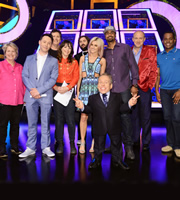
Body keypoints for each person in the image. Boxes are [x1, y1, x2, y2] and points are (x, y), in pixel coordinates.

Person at [74, 73, 139, 169]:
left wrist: (129, 103)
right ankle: (96, 160)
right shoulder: (93, 98)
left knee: (116, 145)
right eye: (100, 82)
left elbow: (121, 109)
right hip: (99, 126)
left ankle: (118, 160)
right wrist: (82, 106)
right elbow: (89, 110)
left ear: (111, 86)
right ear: (97, 85)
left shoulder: (117, 96)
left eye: (105, 82)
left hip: (114, 126)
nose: (102, 85)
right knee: (98, 146)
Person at [19, 34, 58, 158]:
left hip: (45, 95)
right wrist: (32, 90)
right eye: (44, 42)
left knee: (46, 122)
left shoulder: (53, 61)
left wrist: (38, 91)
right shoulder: (29, 58)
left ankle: (46, 147)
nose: (46, 44)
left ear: (51, 45)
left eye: (49, 43)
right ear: (39, 42)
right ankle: (30, 147)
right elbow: (24, 75)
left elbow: (53, 79)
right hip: (31, 95)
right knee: (31, 122)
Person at [103, 25, 139, 160]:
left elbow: (133, 66)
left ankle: (128, 147)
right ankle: (114, 146)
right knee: (111, 119)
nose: (109, 34)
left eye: (111, 32)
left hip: (124, 88)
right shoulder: (104, 51)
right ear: (105, 36)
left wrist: (134, 84)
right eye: (107, 33)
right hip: (109, 91)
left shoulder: (124, 48)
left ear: (115, 34)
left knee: (125, 118)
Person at [77, 37, 106, 154]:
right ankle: (83, 142)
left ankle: (94, 143)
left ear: (99, 47)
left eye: (95, 45)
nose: (92, 47)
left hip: (95, 91)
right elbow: (79, 77)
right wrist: (78, 92)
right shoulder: (83, 58)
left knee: (95, 119)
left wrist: (102, 94)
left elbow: (103, 79)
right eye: (91, 45)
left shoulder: (102, 60)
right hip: (84, 90)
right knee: (83, 117)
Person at [131, 31, 158, 150]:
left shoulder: (150, 50)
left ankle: (146, 141)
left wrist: (150, 86)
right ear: (132, 39)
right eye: (136, 38)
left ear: (144, 39)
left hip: (144, 88)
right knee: (134, 115)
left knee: (146, 116)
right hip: (131, 88)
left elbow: (154, 70)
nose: (138, 40)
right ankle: (135, 139)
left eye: (140, 38)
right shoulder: (128, 51)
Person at [155, 32, 180, 158]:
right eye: (166, 39)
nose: (168, 41)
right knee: (167, 117)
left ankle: (178, 146)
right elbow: (158, 75)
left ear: (174, 40)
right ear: (163, 41)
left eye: (170, 39)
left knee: (176, 118)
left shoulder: (179, 53)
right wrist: (157, 91)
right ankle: (170, 144)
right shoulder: (159, 56)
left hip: (177, 90)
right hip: (164, 91)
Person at [53, 40, 79, 155]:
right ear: (61, 48)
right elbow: (50, 76)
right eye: (65, 47)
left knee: (70, 119)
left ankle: (72, 143)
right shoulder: (55, 61)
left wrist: (68, 88)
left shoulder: (74, 62)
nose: (67, 49)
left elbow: (76, 77)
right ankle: (60, 143)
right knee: (58, 119)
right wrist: (55, 87)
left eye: (69, 47)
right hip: (57, 90)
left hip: (69, 90)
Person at [0, 42, 25, 157]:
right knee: (3, 125)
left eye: (13, 51)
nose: (10, 53)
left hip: (18, 100)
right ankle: (1, 148)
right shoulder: (0, 66)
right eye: (8, 51)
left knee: (15, 125)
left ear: (16, 53)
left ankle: (14, 146)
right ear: (5, 53)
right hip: (4, 100)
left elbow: (24, 83)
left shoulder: (20, 67)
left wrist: (24, 97)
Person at [74, 36, 90, 145]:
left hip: (93, 87)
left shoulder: (97, 55)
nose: (82, 43)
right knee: (81, 114)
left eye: (84, 41)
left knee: (94, 114)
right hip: (81, 87)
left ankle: (95, 139)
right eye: (80, 41)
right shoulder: (76, 57)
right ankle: (80, 137)